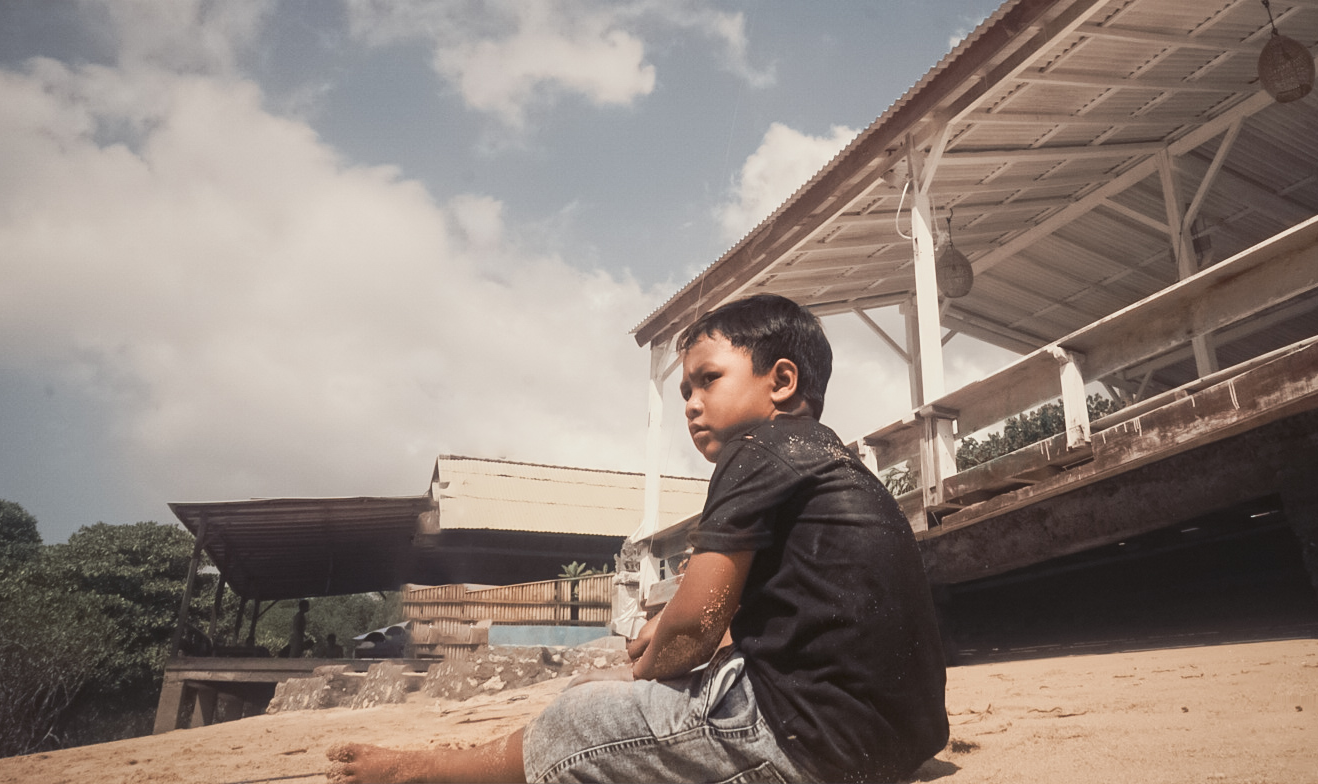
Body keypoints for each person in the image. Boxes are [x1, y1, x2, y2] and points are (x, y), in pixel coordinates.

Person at [328, 294, 948, 783]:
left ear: (780, 382)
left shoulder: (756, 448)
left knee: (581, 716)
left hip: (810, 747)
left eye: (707, 379)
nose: (691, 403)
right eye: (684, 390)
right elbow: (793, 619)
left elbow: (695, 625)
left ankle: (427, 770)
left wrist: (647, 671)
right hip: (898, 742)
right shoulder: (833, 463)